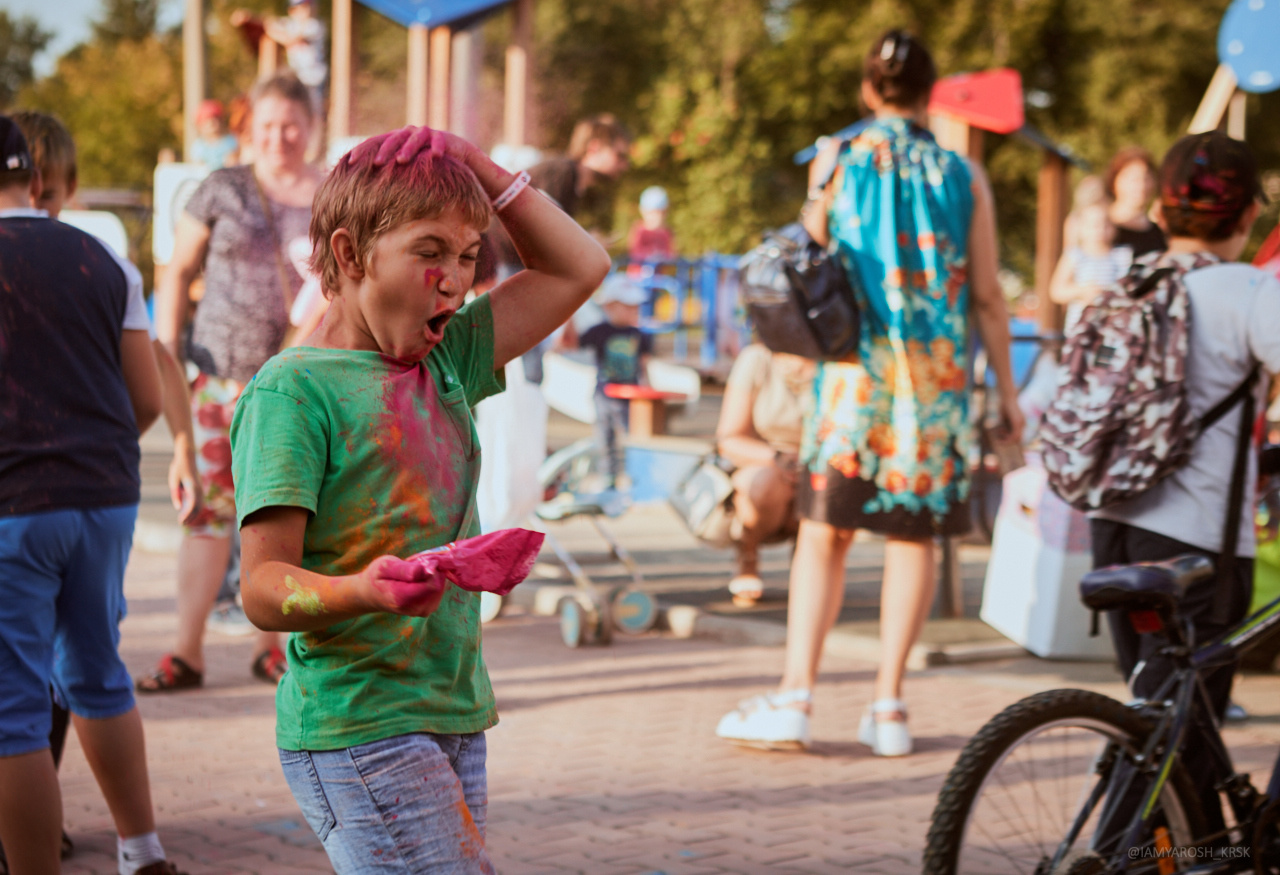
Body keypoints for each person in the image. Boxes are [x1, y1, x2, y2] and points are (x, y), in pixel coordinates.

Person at [231, 125, 610, 871]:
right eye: (429, 251)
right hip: (357, 721)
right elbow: (263, 589)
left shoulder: (450, 358)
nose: (455, 281)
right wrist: (362, 590)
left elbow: (579, 266)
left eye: (469, 257)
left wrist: (475, 164)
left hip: (453, 709)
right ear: (348, 254)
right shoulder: (293, 391)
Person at [716, 30, 1022, 755]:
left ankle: (795, 696)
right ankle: (889, 706)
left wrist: (823, 184)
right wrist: (1006, 390)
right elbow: (987, 295)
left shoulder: (840, 158)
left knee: (825, 534)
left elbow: (805, 256)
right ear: (929, 92)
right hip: (937, 381)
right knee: (911, 536)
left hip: (853, 377)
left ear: (866, 89)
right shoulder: (962, 175)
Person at [0, 116, 186, 875]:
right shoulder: (104, 259)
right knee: (96, 673)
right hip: (104, 498)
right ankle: (143, 852)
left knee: (11, 711)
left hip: (11, 505)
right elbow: (143, 395)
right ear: (34, 181)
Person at [1090, 131, 1280, 839]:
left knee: (1162, 721)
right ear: (1245, 217)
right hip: (1195, 542)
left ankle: (1171, 850)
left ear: (1165, 212)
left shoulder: (1131, 286)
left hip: (1111, 527)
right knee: (1178, 736)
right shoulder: (1251, 292)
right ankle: (1121, 854)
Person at [144, 72, 324, 692]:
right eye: (269, 125)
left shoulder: (331, 192)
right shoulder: (223, 187)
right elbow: (176, 270)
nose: (281, 137)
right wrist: (166, 344)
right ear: (251, 129)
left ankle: (271, 647)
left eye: (292, 125)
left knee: (281, 511)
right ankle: (185, 651)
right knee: (208, 513)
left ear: (311, 126)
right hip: (219, 377)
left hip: (300, 385)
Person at [715, 344, 814, 607]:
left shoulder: (838, 356)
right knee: (767, 483)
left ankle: (810, 568)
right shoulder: (757, 359)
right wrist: (779, 460)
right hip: (765, 458)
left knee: (826, 487)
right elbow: (729, 439)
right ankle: (747, 556)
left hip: (818, 461)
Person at [576, 275, 653, 489]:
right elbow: (572, 343)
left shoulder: (639, 335)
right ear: (609, 305)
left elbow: (644, 363)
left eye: (635, 307)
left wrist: (647, 388)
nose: (633, 311)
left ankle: (636, 477)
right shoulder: (599, 332)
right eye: (627, 306)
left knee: (632, 437)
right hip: (604, 393)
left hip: (631, 394)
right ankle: (608, 478)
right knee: (605, 437)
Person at [1049, 199, 1132, 331]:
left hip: (1113, 328)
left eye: (1106, 224)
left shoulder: (1122, 255)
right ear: (1081, 228)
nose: (1101, 230)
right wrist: (1082, 291)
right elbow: (1056, 291)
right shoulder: (1075, 255)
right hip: (1080, 329)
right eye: (1094, 225)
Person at [262, 0, 328, 121]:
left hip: (313, 78)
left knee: (314, 112)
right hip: (298, 78)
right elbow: (271, 23)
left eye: (309, 6)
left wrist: (273, 33)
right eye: (302, 7)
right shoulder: (291, 25)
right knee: (298, 111)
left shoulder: (314, 25)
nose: (307, 10)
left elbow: (291, 40)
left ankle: (315, 138)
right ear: (292, 11)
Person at [1106, 146, 1166, 258]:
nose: (1141, 186)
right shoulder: (1093, 226)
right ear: (1115, 181)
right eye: (1133, 179)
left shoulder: (1161, 233)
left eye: (1146, 178)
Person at [627, 185, 676, 264]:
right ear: (643, 212)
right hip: (639, 274)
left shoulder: (666, 232)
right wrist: (650, 255)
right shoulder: (640, 230)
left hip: (660, 274)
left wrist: (664, 257)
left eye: (659, 213)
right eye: (651, 213)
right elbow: (634, 252)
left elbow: (671, 254)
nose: (655, 217)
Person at [191, 99, 240, 170]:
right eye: (206, 121)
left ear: (221, 121)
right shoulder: (198, 145)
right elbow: (198, 167)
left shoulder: (231, 141)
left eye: (214, 119)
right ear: (199, 126)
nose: (211, 123)